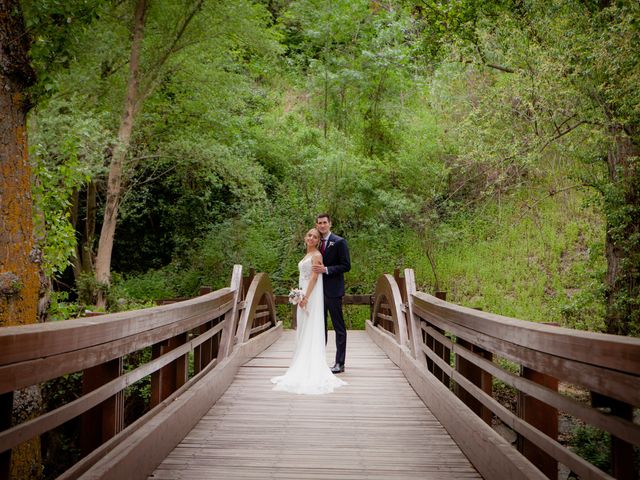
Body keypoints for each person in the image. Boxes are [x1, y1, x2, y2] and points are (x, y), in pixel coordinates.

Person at [271, 228, 347, 394]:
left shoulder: (317, 255)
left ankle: (316, 364)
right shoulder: (307, 254)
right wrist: (299, 293)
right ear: (305, 237)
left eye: (315, 236)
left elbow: (314, 277)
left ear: (319, 241)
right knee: (304, 328)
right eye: (309, 235)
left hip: (310, 294)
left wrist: (305, 296)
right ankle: (303, 361)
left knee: (311, 327)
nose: (311, 238)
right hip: (304, 292)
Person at [312, 213, 351, 374]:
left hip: (333, 291)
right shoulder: (315, 243)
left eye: (324, 223)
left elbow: (346, 266)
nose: (322, 225)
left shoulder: (339, 242)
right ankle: (320, 361)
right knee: (319, 327)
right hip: (318, 292)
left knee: (338, 327)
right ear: (317, 224)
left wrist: (326, 269)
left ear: (330, 224)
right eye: (319, 223)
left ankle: (339, 363)